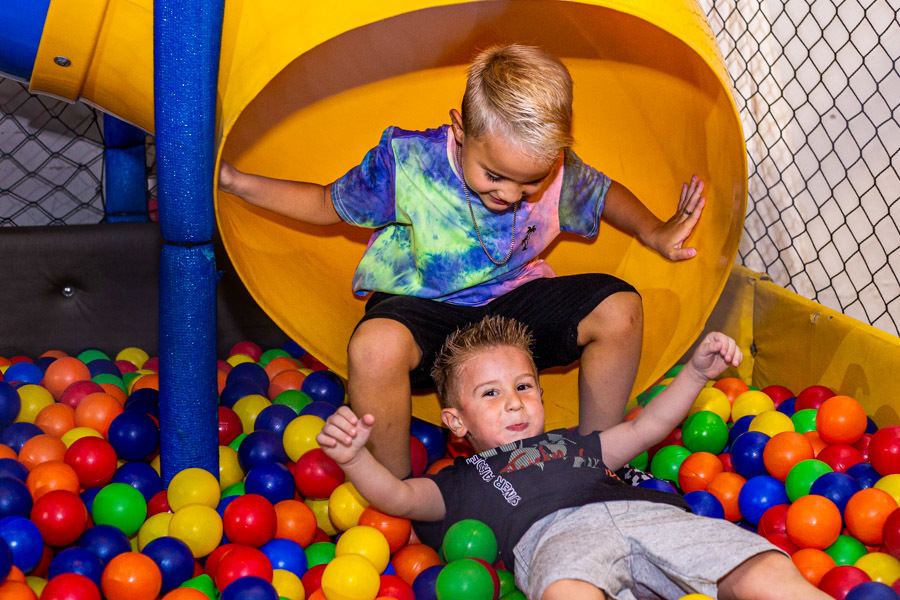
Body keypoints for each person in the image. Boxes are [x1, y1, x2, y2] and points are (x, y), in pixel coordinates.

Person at [218, 43, 706, 478]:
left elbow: (602, 194)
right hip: (424, 310)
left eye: (530, 183)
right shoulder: (409, 163)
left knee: (619, 308)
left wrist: (654, 231)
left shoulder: (554, 169)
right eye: (494, 175)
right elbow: (325, 203)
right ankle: (396, 494)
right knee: (374, 347)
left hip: (514, 310)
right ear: (460, 129)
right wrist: (236, 181)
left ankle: (598, 461)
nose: (510, 194)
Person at [316, 316, 830, 600]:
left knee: (759, 565)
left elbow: (646, 427)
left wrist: (695, 374)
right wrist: (354, 458)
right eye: (491, 394)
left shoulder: (573, 443)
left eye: (523, 386)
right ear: (455, 421)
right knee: (567, 592)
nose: (514, 402)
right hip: (554, 539)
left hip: (647, 515)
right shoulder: (459, 480)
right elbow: (397, 496)